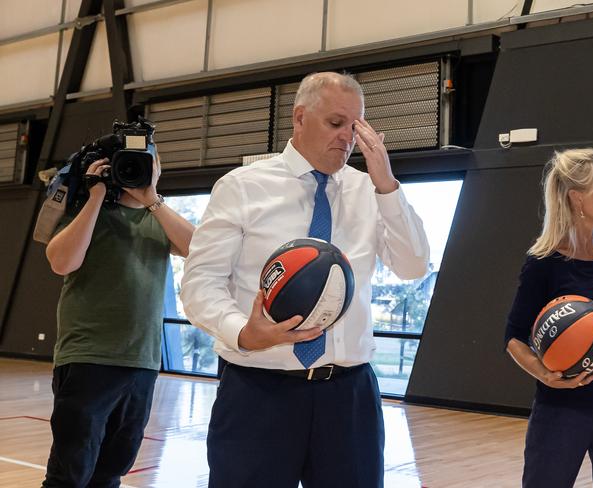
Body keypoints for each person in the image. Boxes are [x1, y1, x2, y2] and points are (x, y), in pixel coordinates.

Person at [180, 72, 430, 487]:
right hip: (257, 390)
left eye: (356, 127)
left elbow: (414, 266)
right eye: (336, 124)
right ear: (299, 118)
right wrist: (244, 332)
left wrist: (387, 185)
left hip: (348, 396)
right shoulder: (242, 187)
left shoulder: (372, 191)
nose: (347, 138)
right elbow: (200, 284)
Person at [42, 152, 195, 488]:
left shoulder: (159, 217)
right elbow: (61, 262)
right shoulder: (90, 212)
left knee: (113, 468)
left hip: (141, 361)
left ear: (158, 168)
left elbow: (198, 249)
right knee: (70, 471)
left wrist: (152, 199)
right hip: (87, 357)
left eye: (148, 161)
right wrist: (96, 195)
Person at [504, 148, 593, 488]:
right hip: (561, 408)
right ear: (576, 197)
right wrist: (545, 374)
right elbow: (513, 335)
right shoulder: (543, 264)